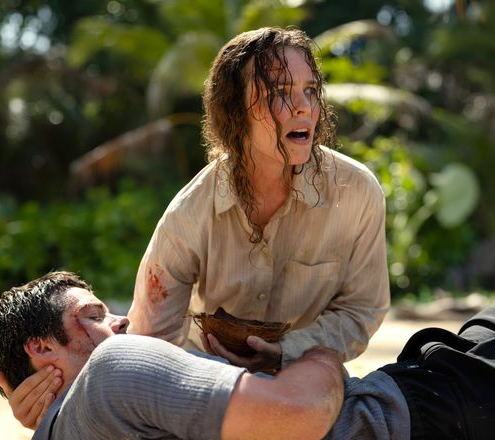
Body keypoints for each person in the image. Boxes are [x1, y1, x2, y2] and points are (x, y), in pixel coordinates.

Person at [0, 271, 495, 440]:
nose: (122, 321)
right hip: (420, 427)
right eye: (94, 314)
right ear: (42, 351)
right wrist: (315, 350)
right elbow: (301, 415)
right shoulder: (115, 370)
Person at [126, 26, 390, 373]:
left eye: (311, 90)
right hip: (205, 379)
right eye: (280, 92)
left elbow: (361, 309)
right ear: (235, 110)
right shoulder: (190, 213)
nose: (304, 108)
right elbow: (150, 339)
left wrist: (287, 351)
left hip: (302, 377)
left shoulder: (356, 192)